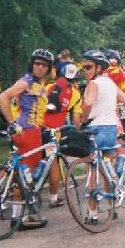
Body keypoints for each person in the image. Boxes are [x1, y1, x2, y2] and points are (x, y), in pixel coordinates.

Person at [79, 50, 125, 220]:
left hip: (95, 129)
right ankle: (112, 208)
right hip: (111, 129)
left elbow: (88, 104)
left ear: (98, 68)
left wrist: (84, 120)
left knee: (93, 172)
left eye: (88, 67)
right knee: (106, 168)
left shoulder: (94, 84)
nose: (84, 71)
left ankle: (92, 214)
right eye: (83, 67)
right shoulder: (111, 84)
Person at [0, 48, 55, 228]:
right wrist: (11, 122)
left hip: (33, 132)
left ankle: (21, 216)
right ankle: (19, 220)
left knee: (25, 176)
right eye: (37, 64)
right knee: (26, 178)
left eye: (44, 65)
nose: (40, 67)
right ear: (32, 64)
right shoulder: (26, 82)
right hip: (27, 133)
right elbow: (3, 97)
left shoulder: (38, 83)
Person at [42, 61, 82, 207]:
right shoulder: (76, 94)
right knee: (54, 163)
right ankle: (53, 198)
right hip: (54, 133)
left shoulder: (48, 87)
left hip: (37, 128)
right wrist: (79, 129)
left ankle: (0, 180)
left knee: (26, 161)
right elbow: (76, 120)